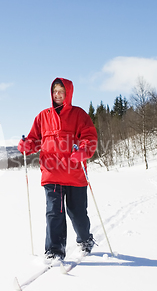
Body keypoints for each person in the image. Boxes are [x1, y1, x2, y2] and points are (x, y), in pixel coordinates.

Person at [18, 77, 98, 262]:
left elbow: (89, 137)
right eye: (55, 91)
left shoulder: (79, 115)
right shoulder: (43, 116)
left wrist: (84, 151)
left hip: (75, 173)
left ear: (68, 93)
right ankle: (54, 250)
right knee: (54, 212)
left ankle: (85, 239)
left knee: (77, 213)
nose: (57, 95)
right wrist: (27, 144)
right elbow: (35, 139)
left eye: (61, 91)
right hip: (51, 172)